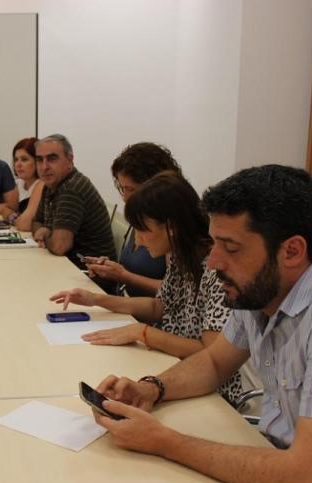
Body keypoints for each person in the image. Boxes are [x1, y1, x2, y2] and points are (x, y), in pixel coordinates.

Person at [85, 165, 312, 483]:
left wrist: (166, 442)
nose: (213, 262)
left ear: (291, 251)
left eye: (230, 248)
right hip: (274, 457)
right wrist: (152, 388)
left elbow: (310, 480)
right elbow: (215, 362)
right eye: (214, 243)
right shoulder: (259, 292)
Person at [51, 172, 242, 404]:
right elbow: (159, 306)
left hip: (208, 393)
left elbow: (211, 354)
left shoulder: (217, 270)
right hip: (171, 368)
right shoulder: (180, 256)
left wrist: (143, 333)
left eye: (143, 231)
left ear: (170, 228)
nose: (138, 241)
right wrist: (97, 299)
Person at [85, 142, 183, 297]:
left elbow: (175, 293)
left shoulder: (173, 225)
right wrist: (110, 270)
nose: (125, 197)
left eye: (130, 189)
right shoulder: (140, 214)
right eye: (123, 189)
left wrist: (124, 276)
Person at [32, 134, 116, 290]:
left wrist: (45, 233)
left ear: (70, 160)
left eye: (52, 158)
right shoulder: (50, 184)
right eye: (39, 160)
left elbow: (59, 246)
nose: (44, 167)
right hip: (68, 270)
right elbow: (36, 223)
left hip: (92, 281)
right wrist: (45, 231)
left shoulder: (72, 189)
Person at [7, 137, 43, 231]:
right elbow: (4, 210)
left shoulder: (42, 185)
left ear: (37, 161)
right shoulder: (17, 183)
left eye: (24, 159)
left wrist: (12, 219)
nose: (18, 164)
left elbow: (24, 224)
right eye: (16, 159)